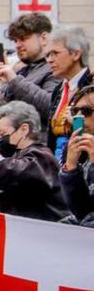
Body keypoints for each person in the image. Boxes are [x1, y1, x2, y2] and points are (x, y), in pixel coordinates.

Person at [0, 101, 67, 221]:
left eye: (3, 133)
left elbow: (16, 171)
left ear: (24, 129)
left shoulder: (41, 156)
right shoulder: (14, 158)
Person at [0, 12, 61, 125]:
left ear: (43, 38)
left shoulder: (56, 69)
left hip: (37, 140)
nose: (17, 45)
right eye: (15, 40)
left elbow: (51, 106)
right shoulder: (21, 72)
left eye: (23, 38)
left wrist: (14, 80)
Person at [45, 26, 91, 155]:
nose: (50, 60)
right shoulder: (58, 90)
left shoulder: (91, 87)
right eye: (48, 55)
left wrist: (76, 123)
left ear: (76, 53)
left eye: (55, 53)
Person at [59, 85, 94, 225]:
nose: (78, 117)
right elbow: (81, 210)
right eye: (74, 111)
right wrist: (71, 169)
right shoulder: (81, 147)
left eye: (86, 111)